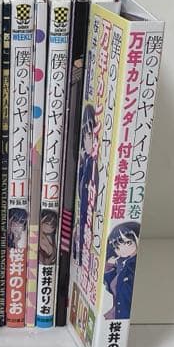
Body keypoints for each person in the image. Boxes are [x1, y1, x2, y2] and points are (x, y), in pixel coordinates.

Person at [73, 104, 97, 263]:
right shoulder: (85, 162)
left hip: (89, 212)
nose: (88, 141)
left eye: (90, 136)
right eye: (85, 136)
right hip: (81, 211)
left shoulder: (93, 163)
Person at [103, 221, 140, 320]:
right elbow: (113, 287)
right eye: (117, 247)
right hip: (119, 314)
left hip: (125, 315)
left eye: (128, 243)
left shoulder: (133, 265)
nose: (122, 249)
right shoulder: (124, 264)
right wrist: (109, 267)